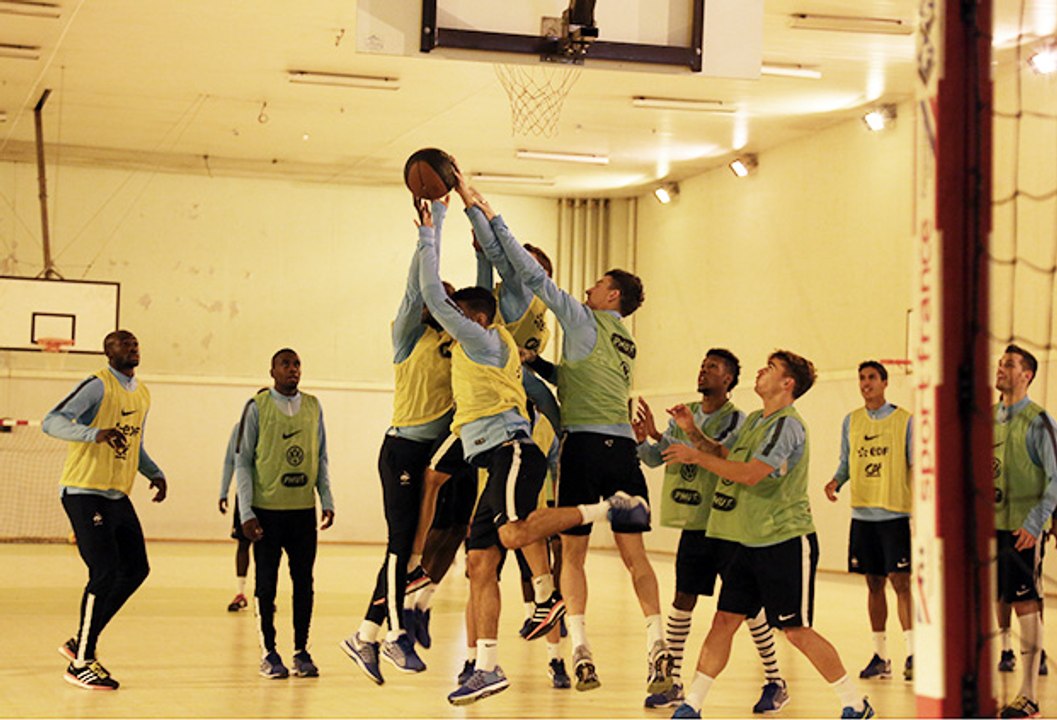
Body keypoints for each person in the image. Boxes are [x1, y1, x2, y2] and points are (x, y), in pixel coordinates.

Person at [414, 197, 649, 706]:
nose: (585, 288)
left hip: (517, 442)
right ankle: (484, 663)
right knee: (482, 560)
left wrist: (466, 219)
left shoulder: (521, 307)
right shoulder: (522, 317)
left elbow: (495, 275)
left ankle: (588, 538)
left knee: (516, 533)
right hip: (503, 440)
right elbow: (487, 279)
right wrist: (481, 245)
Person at [662, 350, 874, 719]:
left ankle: (855, 703)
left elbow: (749, 474)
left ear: (787, 383)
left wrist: (695, 457)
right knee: (724, 621)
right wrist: (693, 432)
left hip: (785, 541)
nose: (761, 371)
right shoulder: (757, 420)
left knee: (796, 631)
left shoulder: (787, 425)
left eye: (771, 368)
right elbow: (728, 455)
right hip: (748, 542)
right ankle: (692, 704)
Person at [340, 198, 457, 684]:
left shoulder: (459, 342)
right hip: (402, 450)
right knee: (398, 547)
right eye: (434, 296)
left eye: (446, 297)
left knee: (411, 554)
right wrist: (433, 227)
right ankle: (395, 634)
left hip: (434, 455)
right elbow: (416, 287)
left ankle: (363, 635)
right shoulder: (409, 335)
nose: (437, 301)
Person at [636, 349, 789, 714]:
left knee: (745, 608)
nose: (703, 371)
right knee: (682, 599)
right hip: (694, 523)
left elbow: (725, 458)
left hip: (728, 523)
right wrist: (644, 439)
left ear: (728, 380)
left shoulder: (738, 420)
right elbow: (658, 458)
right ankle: (671, 680)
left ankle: (775, 680)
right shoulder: (683, 412)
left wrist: (689, 432)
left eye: (713, 368)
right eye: (702, 365)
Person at [44, 329, 168, 691]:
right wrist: (93, 433)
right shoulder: (98, 385)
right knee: (104, 570)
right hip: (84, 491)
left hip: (116, 495)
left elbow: (134, 443)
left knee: (136, 569)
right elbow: (52, 420)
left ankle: (80, 640)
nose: (132, 347)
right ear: (108, 352)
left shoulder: (142, 393)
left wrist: (154, 472)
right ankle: (81, 662)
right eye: (123, 343)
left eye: (135, 342)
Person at [235, 348, 334, 680]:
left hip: (302, 511)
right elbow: (242, 462)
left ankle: (301, 651)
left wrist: (327, 498)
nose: (293, 369)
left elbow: (321, 456)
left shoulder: (313, 406)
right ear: (272, 371)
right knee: (266, 584)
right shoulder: (257, 407)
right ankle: (269, 652)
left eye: (297, 364)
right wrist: (246, 511)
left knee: (304, 583)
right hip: (266, 512)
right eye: (286, 364)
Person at [824, 360, 914, 682]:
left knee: (901, 582)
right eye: (861, 378)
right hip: (862, 515)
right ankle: (880, 656)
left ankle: (913, 654)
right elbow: (846, 462)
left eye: (872, 377)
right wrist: (836, 481)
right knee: (873, 584)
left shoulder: (905, 421)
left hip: (894, 514)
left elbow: (916, 464)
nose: (866, 383)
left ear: (885, 382)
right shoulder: (851, 421)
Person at [992, 344, 1057, 719]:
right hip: (990, 529)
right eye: (1000, 363)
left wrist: (1036, 522)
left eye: (1009, 365)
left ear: (1026, 375)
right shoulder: (988, 417)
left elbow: (1055, 478)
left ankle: (1029, 695)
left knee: (1025, 602)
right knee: (998, 601)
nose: (1000, 369)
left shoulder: (1039, 421)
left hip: (1022, 530)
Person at [219, 421, 251, 612]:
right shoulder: (240, 429)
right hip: (245, 496)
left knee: (266, 548)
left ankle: (264, 593)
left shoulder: (274, 426)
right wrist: (223, 491)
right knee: (243, 543)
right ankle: (240, 592)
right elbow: (229, 460)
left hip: (269, 497)